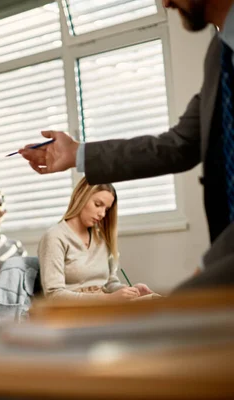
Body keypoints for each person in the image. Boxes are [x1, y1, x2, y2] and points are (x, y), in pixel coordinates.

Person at [18, 0, 234, 289]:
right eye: (98, 205)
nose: (166, 3)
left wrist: (210, 267)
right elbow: (178, 145)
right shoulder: (219, 55)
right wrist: (76, 153)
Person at [38, 178, 152, 300]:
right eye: (98, 205)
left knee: (155, 302)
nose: (102, 214)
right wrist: (108, 299)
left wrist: (131, 291)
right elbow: (54, 295)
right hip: (75, 312)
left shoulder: (102, 238)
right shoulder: (55, 236)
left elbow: (109, 283)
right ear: (80, 197)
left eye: (106, 209)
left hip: (103, 307)